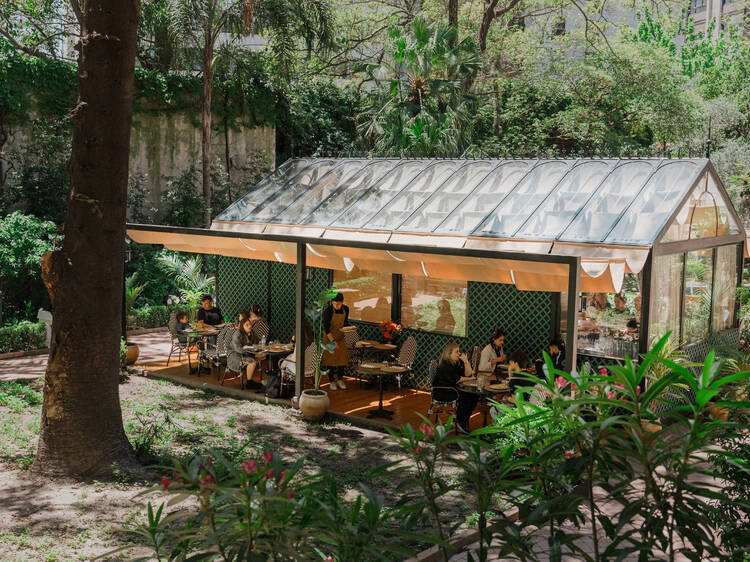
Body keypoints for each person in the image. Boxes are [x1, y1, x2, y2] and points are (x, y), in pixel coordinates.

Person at [432, 342, 477, 434]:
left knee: (474, 396)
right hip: (442, 391)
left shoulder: (456, 362)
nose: (459, 354)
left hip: (452, 389)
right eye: (456, 352)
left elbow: (468, 373)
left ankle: (462, 420)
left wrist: (466, 361)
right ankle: (460, 422)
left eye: (459, 351)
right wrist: (471, 378)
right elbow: (458, 379)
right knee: (466, 398)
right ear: (449, 353)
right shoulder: (446, 364)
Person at [322, 292, 350, 390]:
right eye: (334, 304)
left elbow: (345, 323)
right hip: (329, 337)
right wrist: (333, 341)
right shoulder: (328, 311)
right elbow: (326, 328)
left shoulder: (346, 309)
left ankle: (340, 379)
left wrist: (348, 330)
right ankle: (331, 381)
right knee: (331, 361)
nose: (336, 306)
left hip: (341, 336)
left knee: (342, 359)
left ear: (342, 303)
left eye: (338, 304)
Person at [226, 317, 261, 391]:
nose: (250, 326)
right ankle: (249, 383)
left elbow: (258, 342)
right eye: (247, 325)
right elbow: (237, 348)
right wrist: (250, 350)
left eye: (250, 324)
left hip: (245, 354)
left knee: (258, 358)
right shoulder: (237, 334)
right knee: (252, 362)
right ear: (242, 326)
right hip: (235, 355)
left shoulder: (252, 333)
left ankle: (250, 381)